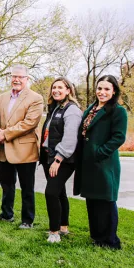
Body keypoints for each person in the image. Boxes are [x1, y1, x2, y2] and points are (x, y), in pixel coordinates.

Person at [74, 75, 127, 249]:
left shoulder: (118, 111)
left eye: (106, 89)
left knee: (106, 201)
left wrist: (99, 153)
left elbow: (118, 137)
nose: (102, 92)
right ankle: (96, 236)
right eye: (99, 88)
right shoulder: (91, 108)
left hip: (104, 163)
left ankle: (110, 240)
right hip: (88, 163)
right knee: (93, 200)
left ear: (114, 91)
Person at [0, 65, 44, 229]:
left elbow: (29, 123)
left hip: (25, 150)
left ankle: (27, 220)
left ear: (27, 79)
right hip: (4, 149)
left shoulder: (35, 98)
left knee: (27, 187)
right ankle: (6, 215)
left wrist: (5, 133)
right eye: (14, 76)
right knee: (6, 184)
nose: (16, 80)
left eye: (20, 77)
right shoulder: (2, 98)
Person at [39, 77, 82, 243]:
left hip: (62, 159)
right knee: (59, 192)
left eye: (60, 87)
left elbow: (70, 138)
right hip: (49, 156)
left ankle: (54, 232)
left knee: (51, 192)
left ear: (68, 90)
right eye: (54, 87)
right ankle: (63, 226)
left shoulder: (71, 110)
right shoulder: (55, 108)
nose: (56, 90)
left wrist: (58, 159)